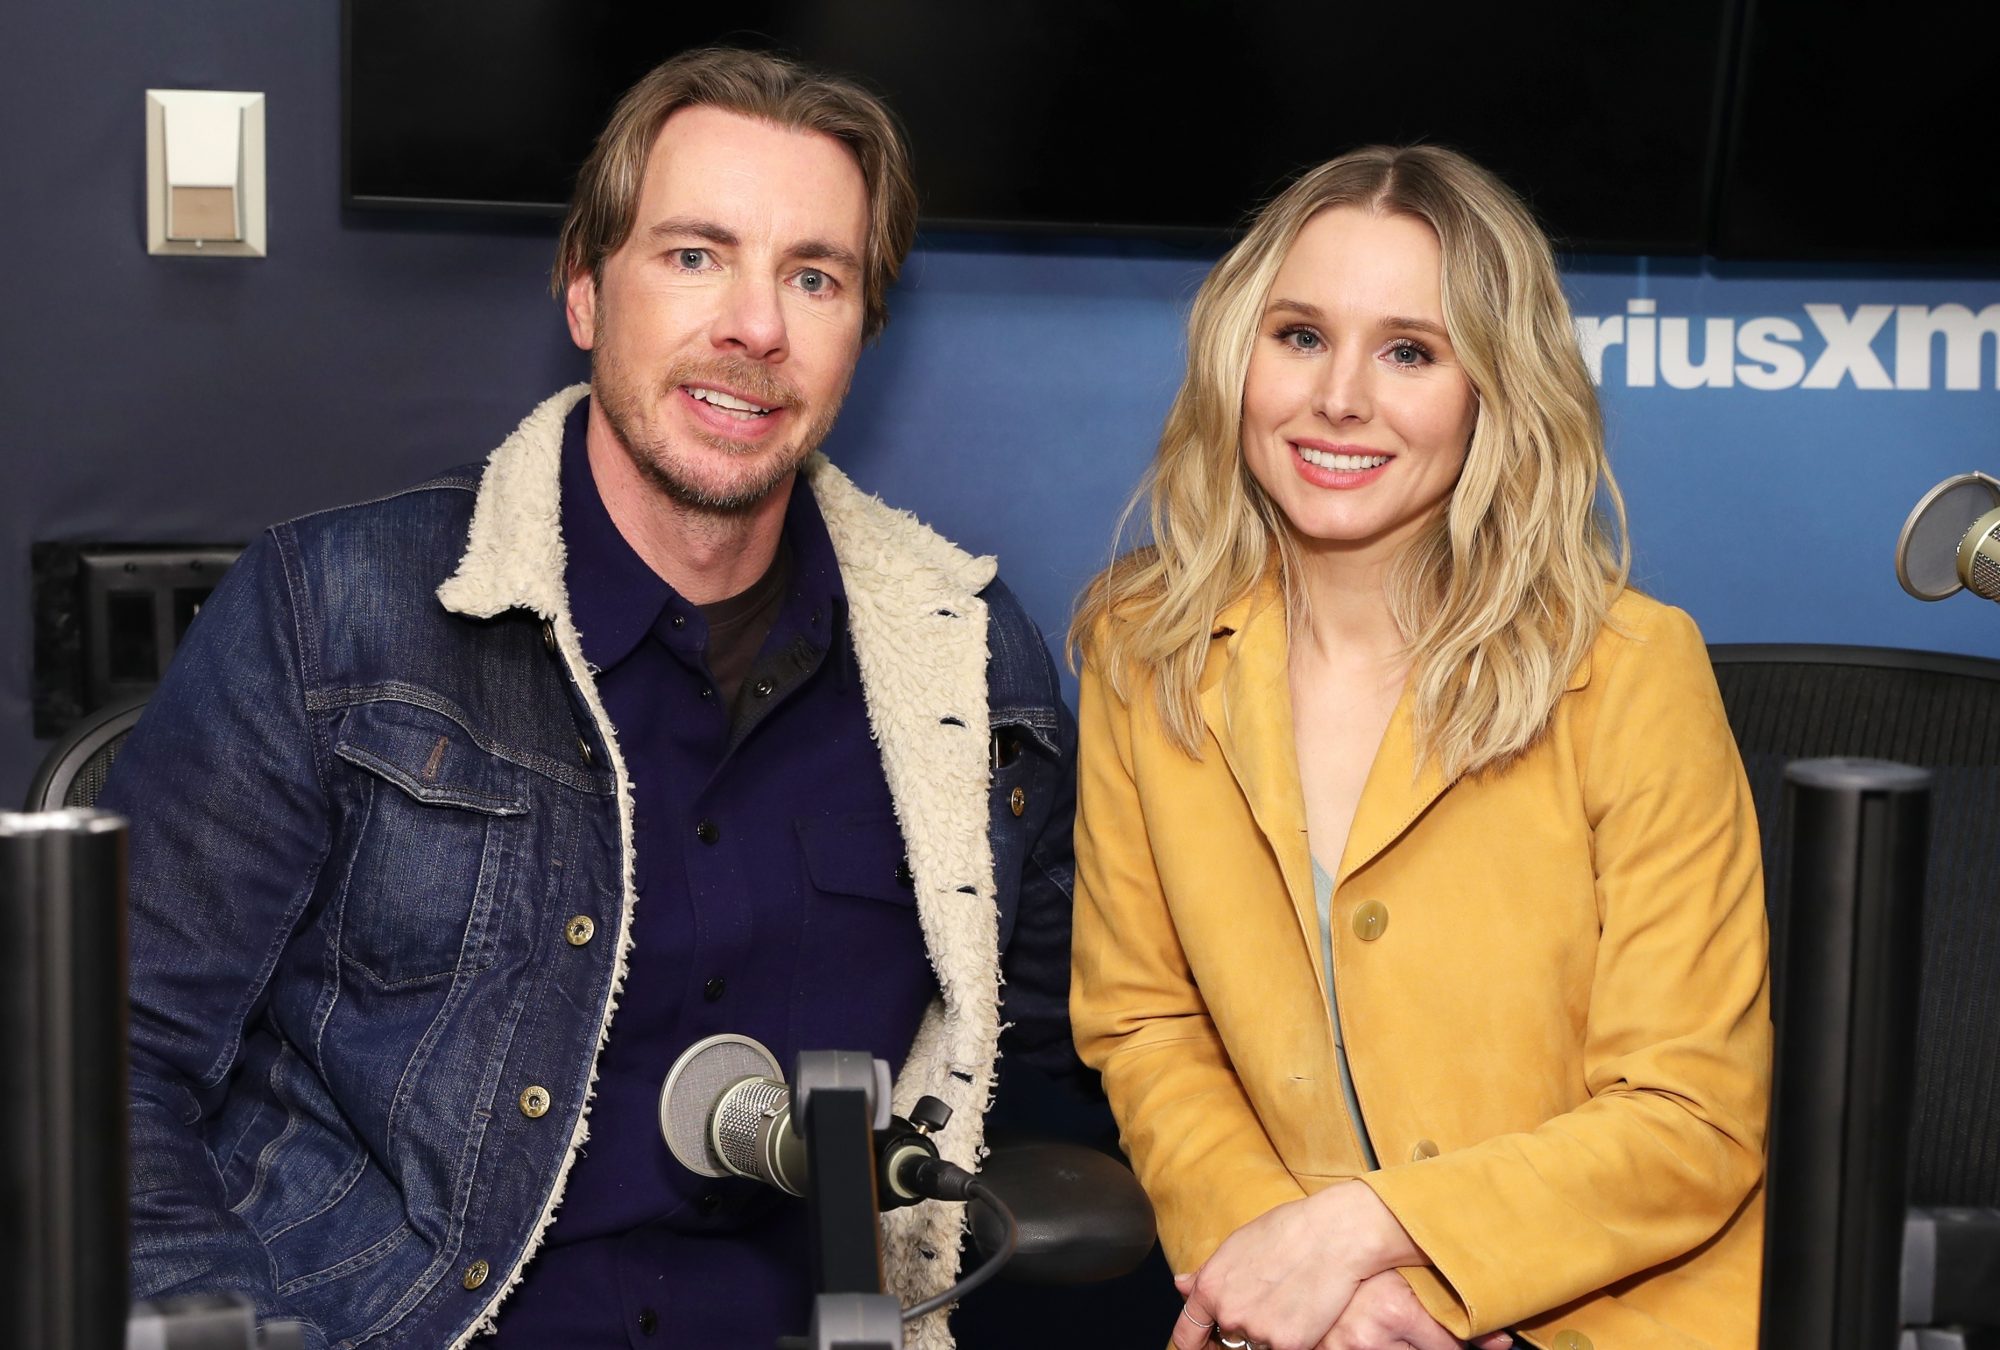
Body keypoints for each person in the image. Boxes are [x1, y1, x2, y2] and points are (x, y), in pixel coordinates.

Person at [102, 47, 1077, 1350]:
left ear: (860, 336)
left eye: (815, 275)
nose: (756, 325)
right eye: (694, 255)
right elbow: (102, 1073)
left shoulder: (972, 670)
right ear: (583, 287)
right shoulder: (333, 612)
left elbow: (1051, 1065)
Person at [1069, 144, 1769, 1350]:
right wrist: (1302, 1283)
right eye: (1298, 335)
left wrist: (1364, 1239)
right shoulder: (1145, 648)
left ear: (1491, 389)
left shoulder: (1629, 668)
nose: (1339, 396)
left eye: (1408, 351)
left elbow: (1688, 1115)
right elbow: (1144, 1026)